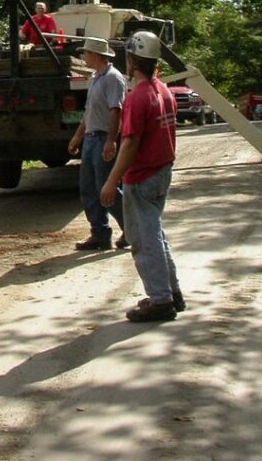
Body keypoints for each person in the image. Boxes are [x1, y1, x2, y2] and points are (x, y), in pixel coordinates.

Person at [100, 30, 184, 323]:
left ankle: (160, 301)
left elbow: (130, 143)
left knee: (143, 240)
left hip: (143, 178)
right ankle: (171, 291)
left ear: (133, 61)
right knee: (156, 234)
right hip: (162, 171)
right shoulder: (164, 91)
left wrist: (112, 181)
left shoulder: (138, 98)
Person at [68, 36, 128, 251]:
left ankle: (129, 228)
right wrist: (78, 136)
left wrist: (111, 141)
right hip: (91, 139)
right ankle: (100, 234)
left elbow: (116, 111)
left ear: (95, 55)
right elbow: (89, 112)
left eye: (85, 53)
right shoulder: (95, 78)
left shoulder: (113, 78)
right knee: (89, 188)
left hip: (103, 138)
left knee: (107, 189)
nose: (83, 56)